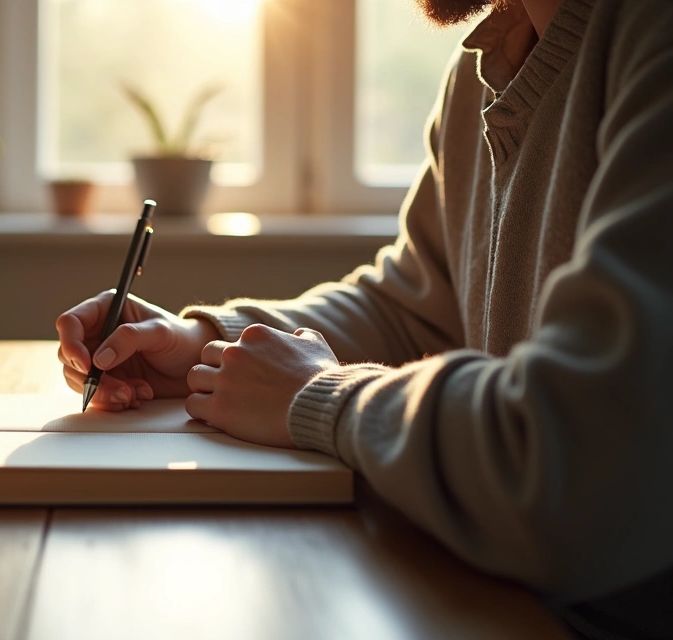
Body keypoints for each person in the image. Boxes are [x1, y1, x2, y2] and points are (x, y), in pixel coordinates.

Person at [55, 0, 672, 637]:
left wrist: (319, 397)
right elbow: (412, 308)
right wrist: (206, 345)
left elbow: (576, 458)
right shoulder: (486, 69)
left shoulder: (653, 41)